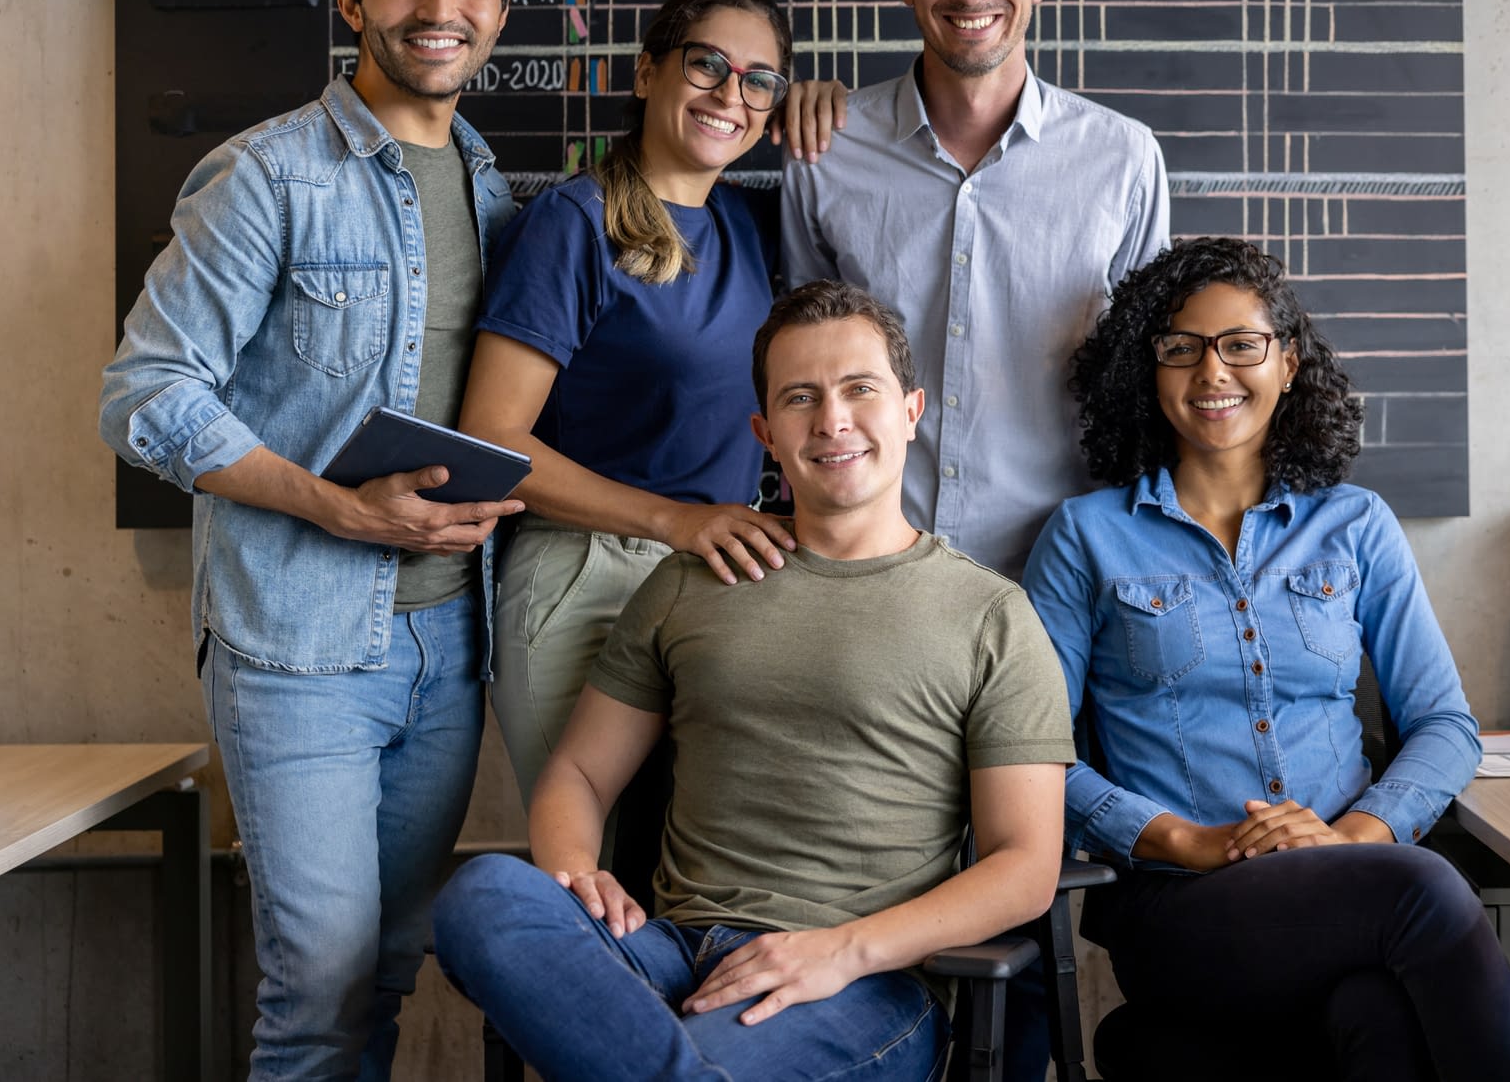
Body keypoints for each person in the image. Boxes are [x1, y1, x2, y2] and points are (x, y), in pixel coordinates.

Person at [99, 0, 527, 1080]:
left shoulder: (495, 187)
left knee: (386, 971)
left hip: (454, 649)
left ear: (500, 12)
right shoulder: (269, 174)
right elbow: (144, 393)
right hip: (296, 649)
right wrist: (336, 504)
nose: (436, 6)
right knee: (318, 997)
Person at [432, 281, 1073, 1082]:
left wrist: (840, 952)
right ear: (766, 434)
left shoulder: (993, 615)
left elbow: (1024, 866)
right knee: (485, 894)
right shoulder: (691, 582)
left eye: (859, 390)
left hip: (860, 985)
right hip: (665, 951)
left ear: (912, 410)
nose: (832, 420)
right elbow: (581, 772)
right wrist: (579, 873)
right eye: (801, 398)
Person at [1022, 238, 1510, 1081]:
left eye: (1241, 344)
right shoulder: (1086, 536)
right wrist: (1188, 841)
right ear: (1147, 369)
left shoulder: (1356, 524)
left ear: (1287, 363)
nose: (1213, 373)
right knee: (1425, 891)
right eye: (1181, 348)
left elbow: (1447, 725)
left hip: (1353, 885)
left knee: (1377, 1016)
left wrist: (1350, 838)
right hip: (1181, 906)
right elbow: (1035, 756)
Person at [457, 0, 812, 806]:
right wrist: (676, 521)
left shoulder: (748, 226)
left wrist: (827, 104)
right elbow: (491, 437)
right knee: (595, 878)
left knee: (680, 875)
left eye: (758, 80)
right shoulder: (572, 224)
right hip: (587, 577)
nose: (731, 93)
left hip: (713, 580)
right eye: (706, 65)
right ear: (648, 73)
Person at [781, 0, 1170, 583]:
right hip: (873, 573)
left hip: (1066, 578)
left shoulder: (1124, 160)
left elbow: (1146, 382)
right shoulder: (825, 150)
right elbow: (801, 365)